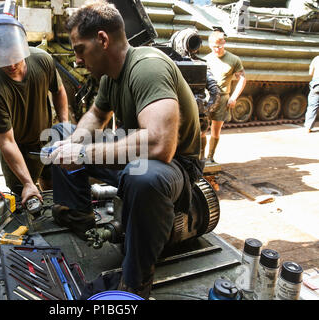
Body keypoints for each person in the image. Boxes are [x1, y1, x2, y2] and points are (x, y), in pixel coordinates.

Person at [48, 1, 203, 299]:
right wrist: (74, 143)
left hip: (176, 166)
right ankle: (80, 220)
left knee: (141, 176)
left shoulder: (147, 66)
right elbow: (96, 115)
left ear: (103, 40)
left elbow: (161, 144)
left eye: (80, 49)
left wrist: (82, 155)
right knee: (61, 135)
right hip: (142, 152)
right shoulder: (110, 75)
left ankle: (136, 280)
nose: (77, 60)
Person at [0, 13, 68, 206]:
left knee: (52, 190)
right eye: (3, 58)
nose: (10, 64)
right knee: (25, 200)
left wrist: (65, 124)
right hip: (18, 149)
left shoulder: (42, 61)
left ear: (22, 48)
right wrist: (27, 182)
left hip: (47, 138)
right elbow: (6, 142)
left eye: (14, 57)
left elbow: (59, 90)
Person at [204, 30, 246, 163]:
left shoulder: (233, 59)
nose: (217, 49)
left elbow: (242, 78)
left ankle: (210, 157)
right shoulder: (206, 59)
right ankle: (201, 157)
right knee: (201, 130)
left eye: (220, 46)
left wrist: (233, 97)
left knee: (215, 131)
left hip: (222, 98)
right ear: (210, 45)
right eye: (214, 46)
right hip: (206, 98)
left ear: (224, 43)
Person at [304, 55, 319, 133]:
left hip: (317, 85)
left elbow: (310, 73)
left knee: (313, 106)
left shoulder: (316, 59)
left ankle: (308, 127)